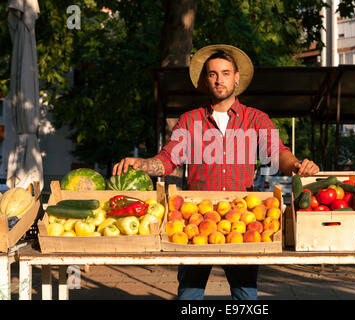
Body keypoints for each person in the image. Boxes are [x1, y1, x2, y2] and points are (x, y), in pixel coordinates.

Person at [113, 44, 320, 300]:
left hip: (243, 218)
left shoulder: (255, 119)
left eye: (225, 73)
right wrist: (142, 164)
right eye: (212, 74)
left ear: (236, 79)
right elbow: (168, 160)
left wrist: (297, 166)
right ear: (205, 80)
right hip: (194, 218)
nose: (218, 79)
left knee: (245, 295)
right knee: (189, 295)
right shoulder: (190, 120)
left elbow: (278, 153)